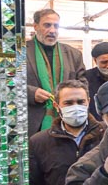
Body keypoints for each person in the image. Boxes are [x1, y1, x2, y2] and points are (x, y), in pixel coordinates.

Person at [26, 9, 86, 137]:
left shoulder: (73, 54)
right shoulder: (20, 52)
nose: (52, 30)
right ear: (35, 26)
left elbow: (83, 84)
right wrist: (31, 93)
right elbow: (8, 83)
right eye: (47, 25)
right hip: (31, 123)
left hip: (67, 121)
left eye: (56, 26)